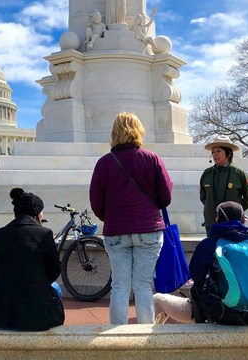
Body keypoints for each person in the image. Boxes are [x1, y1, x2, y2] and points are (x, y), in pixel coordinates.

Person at [89, 112, 173, 324]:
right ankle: (144, 337)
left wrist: (110, 218)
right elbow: (165, 196)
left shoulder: (104, 163)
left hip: (117, 230)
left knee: (119, 285)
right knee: (143, 284)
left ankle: (118, 337)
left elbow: (96, 201)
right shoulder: (151, 158)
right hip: (148, 228)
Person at [153, 201, 248, 325]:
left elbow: (196, 276)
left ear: (218, 220)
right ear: (243, 221)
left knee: (158, 299)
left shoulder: (208, 244)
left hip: (221, 314)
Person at [0, 188, 65, 331]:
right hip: (38, 314)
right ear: (37, 212)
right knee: (55, 288)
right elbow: (54, 269)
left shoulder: (0, 233)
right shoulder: (44, 233)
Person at [200, 135, 248, 234]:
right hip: (211, 224)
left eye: (218, 151)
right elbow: (203, 196)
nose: (215, 154)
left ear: (228, 153)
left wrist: (234, 210)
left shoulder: (239, 174)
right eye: (213, 152)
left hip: (233, 224)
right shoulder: (207, 173)